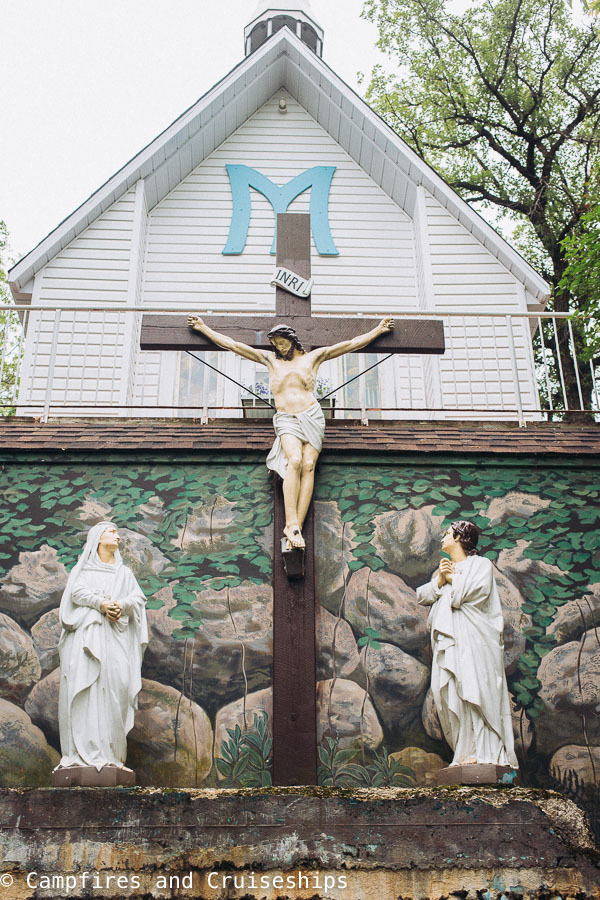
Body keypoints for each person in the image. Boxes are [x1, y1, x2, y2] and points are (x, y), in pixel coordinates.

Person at [188, 314, 394, 550]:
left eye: (282, 342)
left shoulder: (314, 358)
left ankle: (297, 529)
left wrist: (378, 330)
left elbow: (350, 344)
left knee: (308, 465)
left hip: (312, 416)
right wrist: (203, 328)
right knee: (294, 461)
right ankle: (291, 523)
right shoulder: (270, 361)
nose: (279, 347)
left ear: (292, 339)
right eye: (275, 344)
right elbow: (233, 345)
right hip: (286, 418)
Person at [416, 520, 517, 768]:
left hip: (477, 643)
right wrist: (441, 580)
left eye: (447, 533)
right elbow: (423, 596)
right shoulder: (445, 571)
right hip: (453, 646)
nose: (442, 537)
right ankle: (465, 749)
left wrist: (451, 579)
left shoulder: (480, 565)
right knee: (454, 694)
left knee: (477, 691)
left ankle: (487, 753)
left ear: (460, 538)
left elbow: (472, 594)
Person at [55, 522, 148, 772]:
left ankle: (111, 754)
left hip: (116, 640)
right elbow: (77, 593)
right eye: (112, 532)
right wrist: (101, 604)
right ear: (98, 538)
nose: (118, 537)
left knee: (116, 690)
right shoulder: (83, 569)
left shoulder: (124, 574)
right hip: (87, 640)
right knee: (86, 690)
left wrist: (120, 605)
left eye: (117, 533)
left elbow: (138, 598)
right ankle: (82, 753)